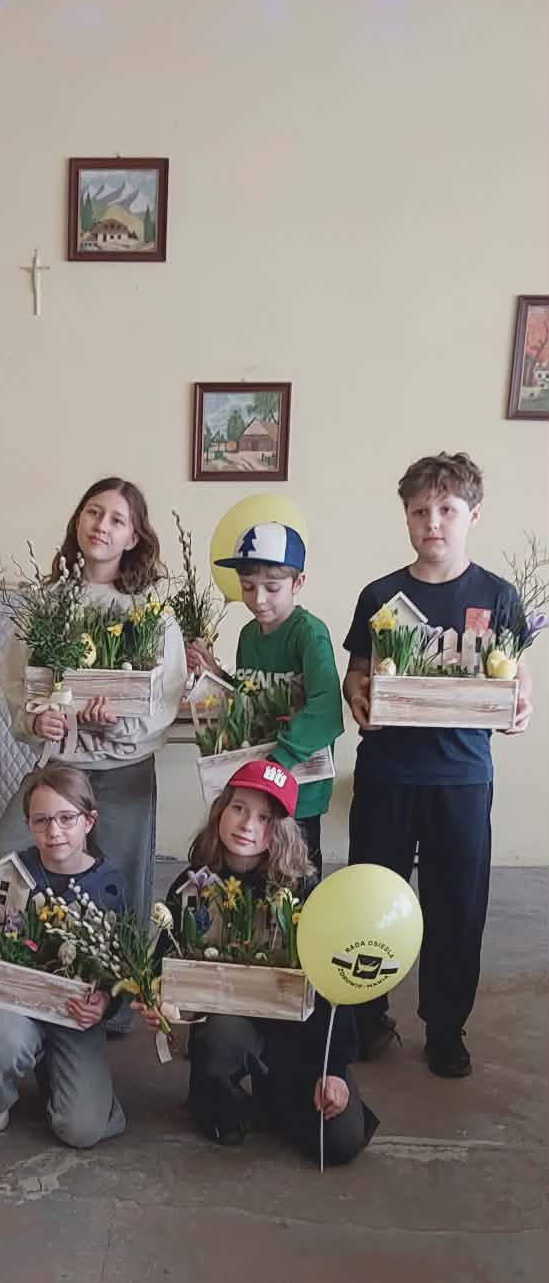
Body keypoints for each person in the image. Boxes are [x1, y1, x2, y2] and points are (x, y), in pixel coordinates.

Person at [342, 451, 532, 1080]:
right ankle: (368, 1017)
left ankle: (446, 1028)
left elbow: (517, 676)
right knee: (374, 902)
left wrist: (522, 702)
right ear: (406, 516)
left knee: (457, 907)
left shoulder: (498, 596)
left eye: (447, 509)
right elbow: (358, 673)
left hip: (462, 779)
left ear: (473, 514)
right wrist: (357, 694)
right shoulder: (380, 595)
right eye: (420, 510)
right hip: (387, 776)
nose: (433, 522)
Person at [140, 761, 377, 1162]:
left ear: (281, 829)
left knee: (340, 1142)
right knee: (223, 1043)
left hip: (295, 1033)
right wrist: (156, 1000)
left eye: (265, 818)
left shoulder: (302, 890)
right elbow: (165, 960)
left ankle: (276, 1094)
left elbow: (334, 985)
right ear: (221, 810)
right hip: (230, 1026)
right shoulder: (194, 884)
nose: (248, 825)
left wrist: (334, 1067)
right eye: (239, 809)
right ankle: (215, 1095)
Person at [0, 477, 187, 925]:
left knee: (123, 889)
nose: (101, 525)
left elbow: (168, 692)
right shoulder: (46, 603)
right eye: (94, 512)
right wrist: (35, 720)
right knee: (7, 865)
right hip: (60, 769)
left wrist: (120, 724)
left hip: (125, 772)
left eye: (117, 520)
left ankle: (121, 971)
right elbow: (17, 681)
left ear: (133, 537)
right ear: (78, 520)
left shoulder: (151, 609)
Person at [0, 765, 127, 1148]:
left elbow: (121, 962)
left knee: (82, 1131)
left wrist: (105, 1002)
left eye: (67, 819)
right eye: (42, 820)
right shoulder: (11, 872)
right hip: (13, 1002)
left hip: (71, 1013)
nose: (54, 831)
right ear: (29, 824)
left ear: (89, 820)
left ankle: (59, 1072)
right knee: (3, 1042)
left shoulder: (109, 883)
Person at [186, 521, 343, 874]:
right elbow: (252, 698)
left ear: (297, 583)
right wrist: (216, 674)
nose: (258, 599)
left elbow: (326, 709)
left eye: (272, 587)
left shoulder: (309, 633)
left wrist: (278, 761)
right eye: (248, 586)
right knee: (252, 871)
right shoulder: (248, 635)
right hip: (258, 785)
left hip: (299, 788)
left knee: (294, 873)